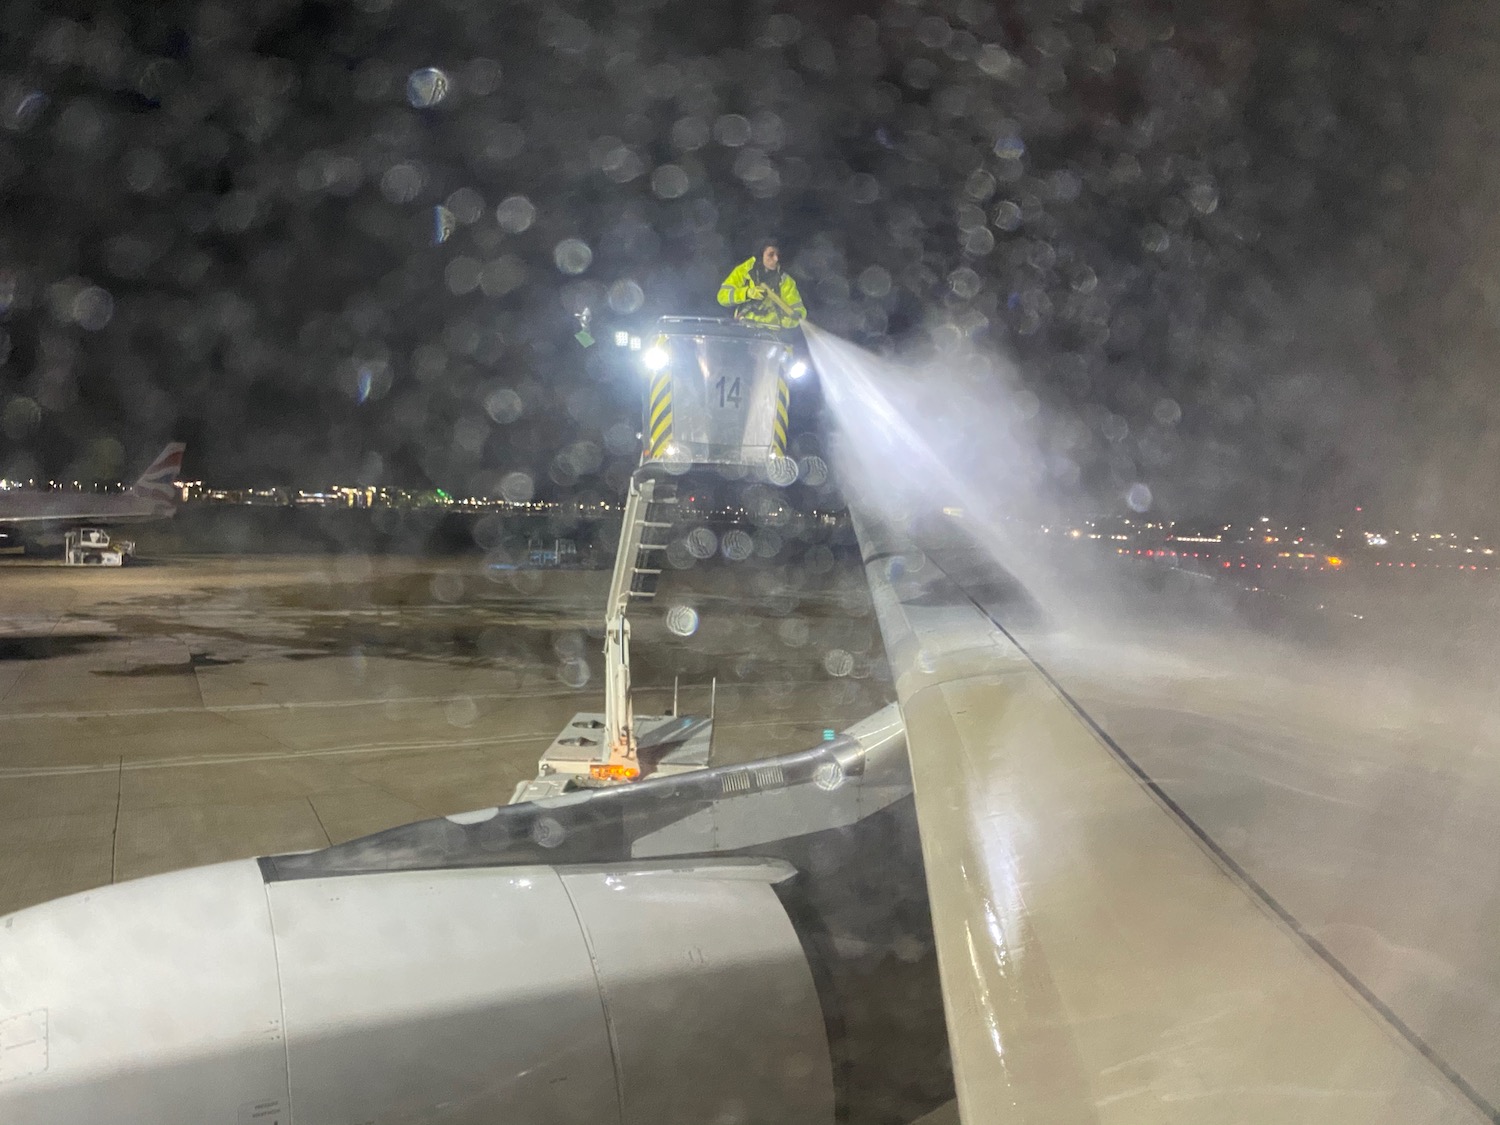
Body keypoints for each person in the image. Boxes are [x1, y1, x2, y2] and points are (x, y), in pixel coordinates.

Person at [717, 241, 806, 329]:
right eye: (771, 254)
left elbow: (797, 309)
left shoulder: (785, 281)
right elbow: (722, 297)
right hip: (742, 328)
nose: (776, 259)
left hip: (770, 333)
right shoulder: (744, 271)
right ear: (761, 255)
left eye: (777, 255)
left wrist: (794, 317)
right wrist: (747, 293)